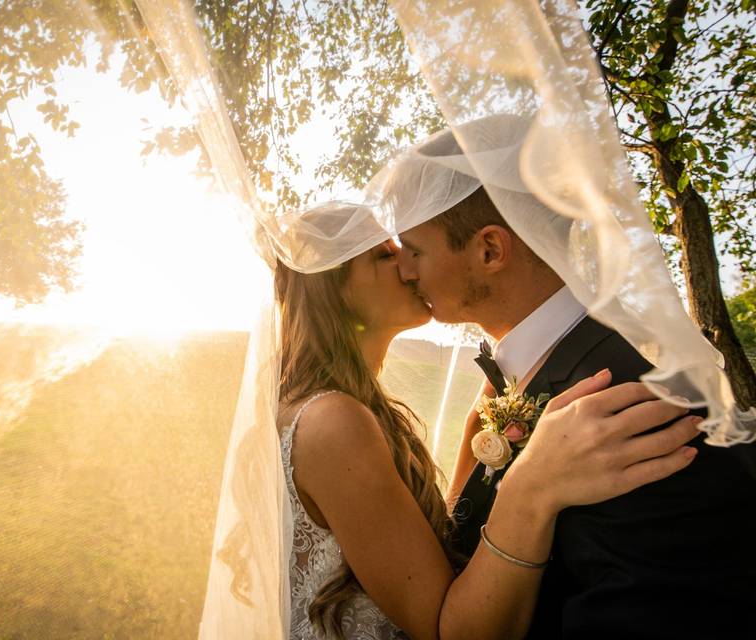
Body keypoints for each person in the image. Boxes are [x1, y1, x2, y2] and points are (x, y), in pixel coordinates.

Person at [387, 132, 756, 637]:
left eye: (414, 250)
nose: (404, 271)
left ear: (491, 250)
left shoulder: (628, 396)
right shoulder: (532, 372)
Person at [272, 224, 701, 640]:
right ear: (331, 289)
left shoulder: (343, 404)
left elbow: (422, 554)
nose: (408, 266)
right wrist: (530, 484)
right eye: (384, 255)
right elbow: (445, 628)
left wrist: (473, 441)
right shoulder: (333, 420)